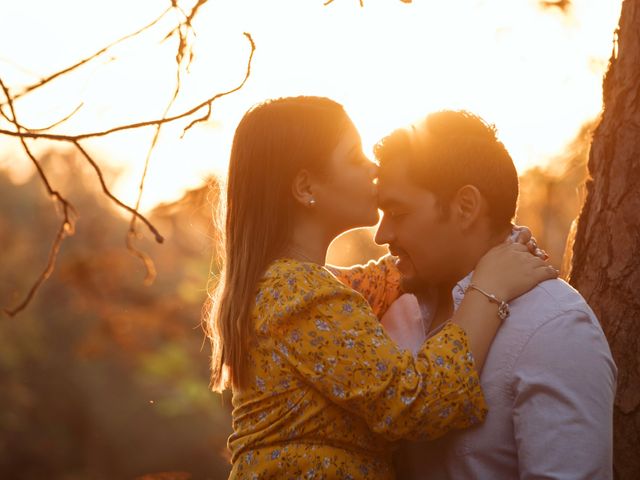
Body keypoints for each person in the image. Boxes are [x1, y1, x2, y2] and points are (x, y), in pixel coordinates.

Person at [206, 96, 556, 479]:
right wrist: (488, 288)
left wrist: (487, 243)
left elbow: (391, 274)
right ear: (306, 185)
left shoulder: (292, 286)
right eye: (355, 158)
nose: (373, 169)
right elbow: (415, 404)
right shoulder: (300, 291)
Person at [369, 110, 617, 479]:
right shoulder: (390, 311)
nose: (381, 234)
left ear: (466, 206)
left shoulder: (555, 328)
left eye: (398, 212)